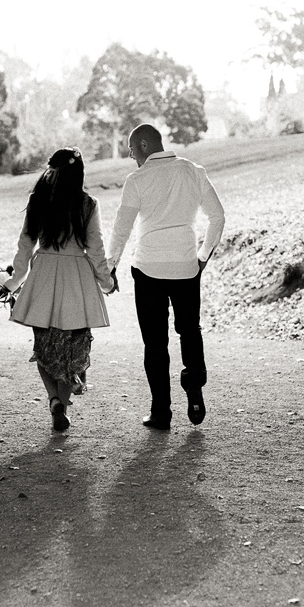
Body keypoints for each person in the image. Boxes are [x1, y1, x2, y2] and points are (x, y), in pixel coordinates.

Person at [107, 124, 225, 430]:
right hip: (186, 267)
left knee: (155, 344)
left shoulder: (138, 179)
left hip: (148, 270)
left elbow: (122, 228)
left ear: (144, 145)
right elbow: (218, 217)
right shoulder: (193, 171)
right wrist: (203, 257)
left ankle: (161, 412)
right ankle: (194, 384)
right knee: (190, 330)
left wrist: (110, 265)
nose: (131, 156)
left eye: (132, 150)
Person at [0, 147, 116, 433]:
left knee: (44, 348)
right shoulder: (88, 204)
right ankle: (60, 403)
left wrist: (10, 284)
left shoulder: (38, 201)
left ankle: (54, 400)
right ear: (80, 174)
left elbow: (25, 247)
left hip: (44, 278)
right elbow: (97, 249)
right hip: (78, 280)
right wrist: (107, 282)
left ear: (52, 170)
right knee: (73, 350)